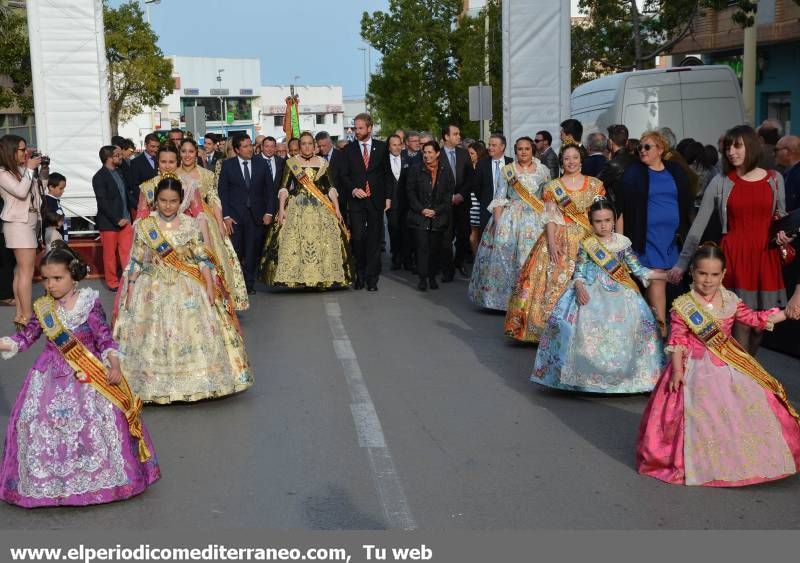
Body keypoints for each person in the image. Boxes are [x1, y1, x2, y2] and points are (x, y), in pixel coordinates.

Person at [0, 242, 159, 506]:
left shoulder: (89, 303)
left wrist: (115, 366)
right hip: (49, 374)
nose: (50, 285)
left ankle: (100, 479)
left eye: (57, 278)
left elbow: (105, 339)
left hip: (89, 374)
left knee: (100, 421)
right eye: (46, 279)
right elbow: (24, 338)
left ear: (74, 275)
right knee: (35, 421)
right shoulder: (43, 308)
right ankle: (46, 483)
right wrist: (4, 343)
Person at [637, 243, 800, 487]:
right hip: (692, 368)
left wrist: (787, 312)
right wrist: (678, 372)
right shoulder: (683, 305)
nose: (708, 280)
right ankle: (697, 461)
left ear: (723, 275)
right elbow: (678, 340)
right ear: (692, 272)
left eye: (714, 275)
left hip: (727, 364)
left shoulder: (731, 300)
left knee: (739, 412)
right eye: (702, 273)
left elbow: (756, 318)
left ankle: (742, 459)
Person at [115, 175, 252, 404]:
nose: (168, 205)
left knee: (194, 333)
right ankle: (150, 383)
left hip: (187, 287)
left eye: (173, 201)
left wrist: (209, 286)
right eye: (163, 200)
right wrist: (129, 289)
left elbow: (201, 258)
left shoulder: (190, 224)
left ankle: (198, 382)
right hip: (152, 289)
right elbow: (136, 261)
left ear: (181, 202)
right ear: (155, 201)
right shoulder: (145, 226)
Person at [667, 125, 790, 354]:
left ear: (751, 146)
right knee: (741, 323)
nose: (731, 152)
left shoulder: (775, 179)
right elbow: (699, 225)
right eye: (727, 148)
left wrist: (785, 235)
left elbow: (781, 218)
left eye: (737, 146)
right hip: (735, 258)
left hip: (766, 258)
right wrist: (682, 263)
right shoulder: (721, 182)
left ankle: (749, 373)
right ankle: (739, 381)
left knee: (760, 327)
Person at [532, 200, 664, 393]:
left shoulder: (623, 243)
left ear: (613, 220)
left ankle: (632, 378)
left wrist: (664, 275)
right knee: (575, 326)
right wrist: (578, 287)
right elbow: (579, 271)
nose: (604, 225)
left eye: (608, 220)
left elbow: (638, 269)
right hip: (590, 289)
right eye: (598, 221)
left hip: (621, 293)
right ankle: (581, 377)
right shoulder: (587, 244)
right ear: (591, 223)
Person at [504, 141, 605, 342]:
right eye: (567, 158)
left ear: (581, 160)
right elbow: (550, 217)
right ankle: (546, 330)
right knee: (552, 281)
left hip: (587, 239)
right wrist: (551, 242)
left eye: (575, 158)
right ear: (561, 162)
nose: (571, 162)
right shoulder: (553, 186)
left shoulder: (595, 184)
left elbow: (601, 214)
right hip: (560, 236)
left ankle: (587, 330)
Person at [616, 130, 691, 336]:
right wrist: (619, 244)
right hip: (647, 235)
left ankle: (659, 329)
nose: (642, 150)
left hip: (672, 238)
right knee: (657, 280)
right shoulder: (634, 173)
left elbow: (685, 201)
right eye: (639, 147)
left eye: (647, 146)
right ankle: (662, 333)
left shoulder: (675, 170)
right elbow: (621, 208)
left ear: (660, 149)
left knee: (668, 280)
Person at [259, 131, 354, 288]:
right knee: (294, 242)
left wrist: (337, 209)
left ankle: (322, 277)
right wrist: (282, 209)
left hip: (321, 207)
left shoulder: (323, 163)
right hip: (297, 205)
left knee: (324, 242)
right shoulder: (292, 163)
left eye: (310, 143)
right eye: (303, 143)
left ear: (314, 145)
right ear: (299, 146)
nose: (307, 146)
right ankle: (297, 277)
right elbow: (283, 188)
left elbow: (330, 188)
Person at [469, 136, 550, 310]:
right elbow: (499, 197)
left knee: (529, 258)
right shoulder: (508, 170)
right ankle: (503, 301)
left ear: (532, 150)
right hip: (510, 218)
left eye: (527, 149)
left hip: (535, 219)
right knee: (506, 257)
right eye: (520, 149)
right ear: (515, 151)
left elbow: (547, 198)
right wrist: (498, 225)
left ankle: (528, 300)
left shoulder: (543, 170)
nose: (523, 152)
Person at [177, 138, 249, 311]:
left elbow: (214, 200)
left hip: (205, 221)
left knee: (213, 258)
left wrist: (220, 223)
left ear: (197, 154)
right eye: (184, 151)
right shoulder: (173, 173)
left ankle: (217, 299)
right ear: (179, 153)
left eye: (191, 151)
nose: (187, 155)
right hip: (180, 221)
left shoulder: (207, 174)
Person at [217, 134, 276, 295]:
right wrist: (226, 217)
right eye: (245, 146)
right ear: (236, 149)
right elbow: (223, 192)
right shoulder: (228, 166)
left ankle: (249, 285)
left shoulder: (261, 163)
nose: (250, 148)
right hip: (235, 217)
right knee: (236, 251)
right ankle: (235, 283)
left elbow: (270, 191)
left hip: (256, 216)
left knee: (251, 251)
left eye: (250, 145)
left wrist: (269, 212)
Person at [341, 113, 391, 291]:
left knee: (374, 240)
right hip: (356, 202)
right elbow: (344, 176)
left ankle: (372, 278)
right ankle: (359, 275)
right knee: (359, 239)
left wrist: (388, 197)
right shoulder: (349, 150)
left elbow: (387, 174)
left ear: (370, 128)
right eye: (355, 128)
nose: (357, 131)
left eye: (360, 128)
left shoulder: (382, 148)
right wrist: (353, 189)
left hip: (376, 200)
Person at [0, 135, 41, 329]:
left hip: (28, 222)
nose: (26, 153)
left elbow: (34, 193)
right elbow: (21, 191)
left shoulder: (20, 170)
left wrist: (35, 168)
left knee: (20, 271)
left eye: (26, 150)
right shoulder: (2, 173)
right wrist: (30, 169)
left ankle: (20, 315)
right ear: (10, 151)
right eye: (22, 150)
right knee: (26, 272)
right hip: (18, 224)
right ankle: (27, 315)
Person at [406, 141, 454, 291]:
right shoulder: (415, 169)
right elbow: (410, 192)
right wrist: (422, 209)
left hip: (438, 217)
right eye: (424, 152)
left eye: (430, 152)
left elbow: (448, 194)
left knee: (434, 249)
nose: (426, 155)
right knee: (422, 248)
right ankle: (422, 278)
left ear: (437, 153)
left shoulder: (445, 170)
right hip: (419, 216)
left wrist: (436, 210)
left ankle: (432, 276)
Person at [93, 145, 136, 293]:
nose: (121, 157)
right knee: (110, 255)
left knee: (127, 252)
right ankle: (112, 282)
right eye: (118, 155)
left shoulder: (119, 172)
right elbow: (102, 202)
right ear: (110, 158)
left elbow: (126, 194)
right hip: (109, 223)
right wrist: (117, 219)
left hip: (126, 220)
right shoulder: (99, 177)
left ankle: (128, 279)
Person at [439, 124, 474, 281]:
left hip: (462, 202)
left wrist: (461, 194)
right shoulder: (437, 155)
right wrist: (449, 197)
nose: (459, 136)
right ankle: (447, 269)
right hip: (445, 204)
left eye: (459, 134)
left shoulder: (464, 154)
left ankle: (458, 263)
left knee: (464, 235)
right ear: (446, 136)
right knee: (445, 238)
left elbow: (469, 177)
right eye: (455, 134)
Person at [475, 134, 513, 233]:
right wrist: (486, 201)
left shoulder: (511, 163)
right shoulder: (481, 164)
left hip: (507, 210)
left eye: (493, 145)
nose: (490, 148)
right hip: (487, 210)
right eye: (489, 145)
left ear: (502, 147)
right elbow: (477, 188)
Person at [385, 134, 411, 270]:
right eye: (393, 145)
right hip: (391, 203)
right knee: (394, 229)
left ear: (402, 145)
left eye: (398, 144)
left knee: (407, 231)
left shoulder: (409, 160)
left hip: (407, 203)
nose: (396, 147)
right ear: (389, 147)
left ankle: (407, 259)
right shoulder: (383, 162)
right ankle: (396, 256)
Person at [597, 124, 635, 205]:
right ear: (627, 142)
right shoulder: (637, 160)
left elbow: (596, 184)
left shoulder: (612, 165)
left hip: (618, 209)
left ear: (610, 142)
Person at [467, 141, 488, 257]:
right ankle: (476, 259)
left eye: (472, 153)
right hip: (472, 203)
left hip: (482, 201)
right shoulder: (468, 167)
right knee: (474, 232)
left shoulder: (484, 167)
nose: (469, 156)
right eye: (468, 153)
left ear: (478, 154)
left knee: (484, 232)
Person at [129, 133, 159, 199]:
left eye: (157, 147)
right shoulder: (135, 162)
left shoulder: (160, 159)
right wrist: (145, 200)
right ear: (145, 145)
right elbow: (135, 186)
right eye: (153, 146)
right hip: (145, 201)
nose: (156, 149)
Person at [776, 135, 800, 212]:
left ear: (788, 152)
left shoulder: (796, 175)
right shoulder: (789, 173)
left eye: (776, 150)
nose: (774, 154)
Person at [44, 171, 68, 241]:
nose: (63, 191)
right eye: (61, 188)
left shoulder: (55, 200)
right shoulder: (48, 201)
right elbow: (48, 218)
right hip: (53, 238)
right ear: (51, 187)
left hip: (59, 238)